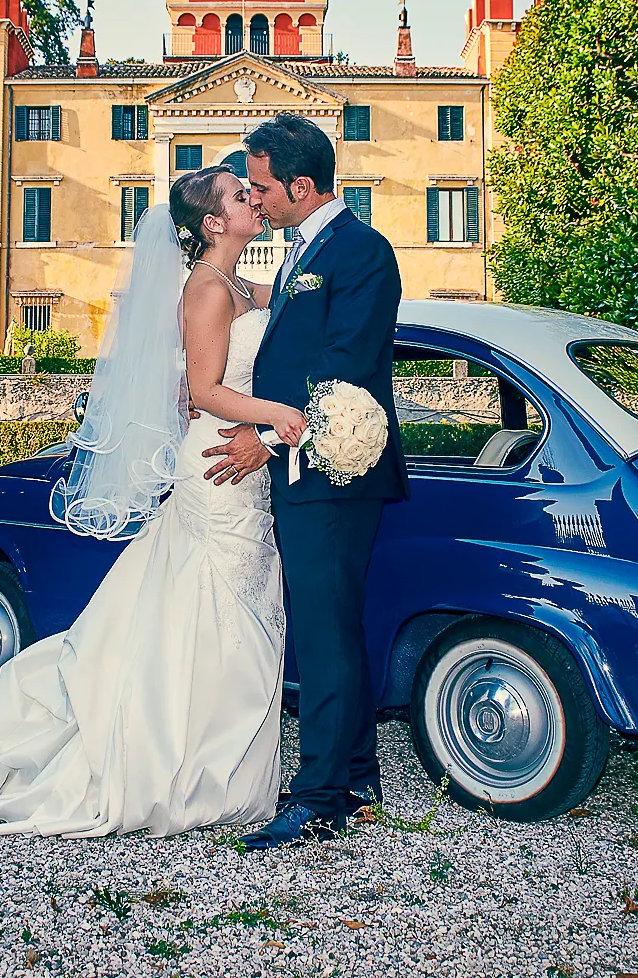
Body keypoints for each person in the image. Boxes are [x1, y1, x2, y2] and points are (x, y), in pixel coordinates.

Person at [0, 167, 308, 837]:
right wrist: (278, 414)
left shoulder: (244, 284)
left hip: (246, 468)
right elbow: (205, 389)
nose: (254, 199)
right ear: (215, 222)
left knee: (233, 609)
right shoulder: (207, 288)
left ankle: (222, 765)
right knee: (214, 607)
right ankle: (191, 770)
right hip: (217, 460)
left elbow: (297, 297)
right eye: (241, 195)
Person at [202, 113, 409, 850]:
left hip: (332, 470)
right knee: (332, 626)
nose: (255, 199)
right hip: (306, 468)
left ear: (301, 183)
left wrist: (264, 438)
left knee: (323, 633)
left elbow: (345, 365)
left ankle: (321, 799)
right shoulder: (302, 248)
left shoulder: (362, 250)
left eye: (261, 187)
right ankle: (355, 775)